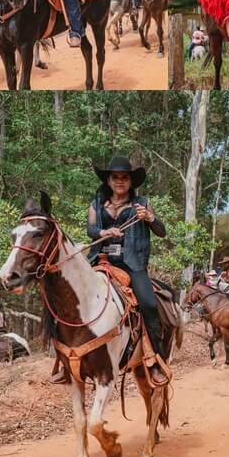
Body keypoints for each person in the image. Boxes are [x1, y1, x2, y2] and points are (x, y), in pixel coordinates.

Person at [86, 157, 169, 385]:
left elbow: (161, 231)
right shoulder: (97, 203)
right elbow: (91, 229)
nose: (120, 181)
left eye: (124, 177)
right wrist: (103, 233)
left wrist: (150, 218)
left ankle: (157, 361)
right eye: (115, 177)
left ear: (131, 181)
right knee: (72, 294)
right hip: (101, 260)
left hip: (132, 264)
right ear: (109, 180)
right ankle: (65, 360)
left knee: (149, 305)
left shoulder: (141, 203)